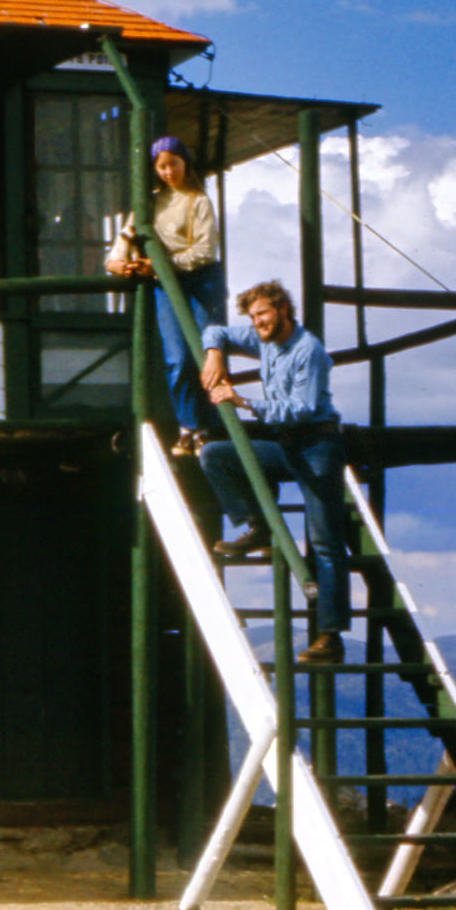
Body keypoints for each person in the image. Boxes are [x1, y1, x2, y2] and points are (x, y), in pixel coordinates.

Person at [197, 280, 351, 664]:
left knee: (324, 540)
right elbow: (215, 329)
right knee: (215, 455)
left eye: (263, 314)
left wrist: (242, 400)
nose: (258, 322)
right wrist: (214, 353)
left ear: (283, 309)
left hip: (317, 446)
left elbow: (300, 408)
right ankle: (257, 525)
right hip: (286, 445)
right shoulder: (262, 338)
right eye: (252, 317)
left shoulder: (308, 350)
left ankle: (330, 638)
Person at [105, 135, 226, 456]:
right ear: (155, 170)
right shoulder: (147, 206)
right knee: (178, 358)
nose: (169, 171)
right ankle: (189, 427)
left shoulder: (198, 201)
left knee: (206, 356)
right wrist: (126, 266)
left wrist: (163, 263)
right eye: (162, 166)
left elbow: (205, 250)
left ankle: (212, 427)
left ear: (185, 163)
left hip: (201, 282)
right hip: (163, 284)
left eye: (173, 163)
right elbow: (117, 253)